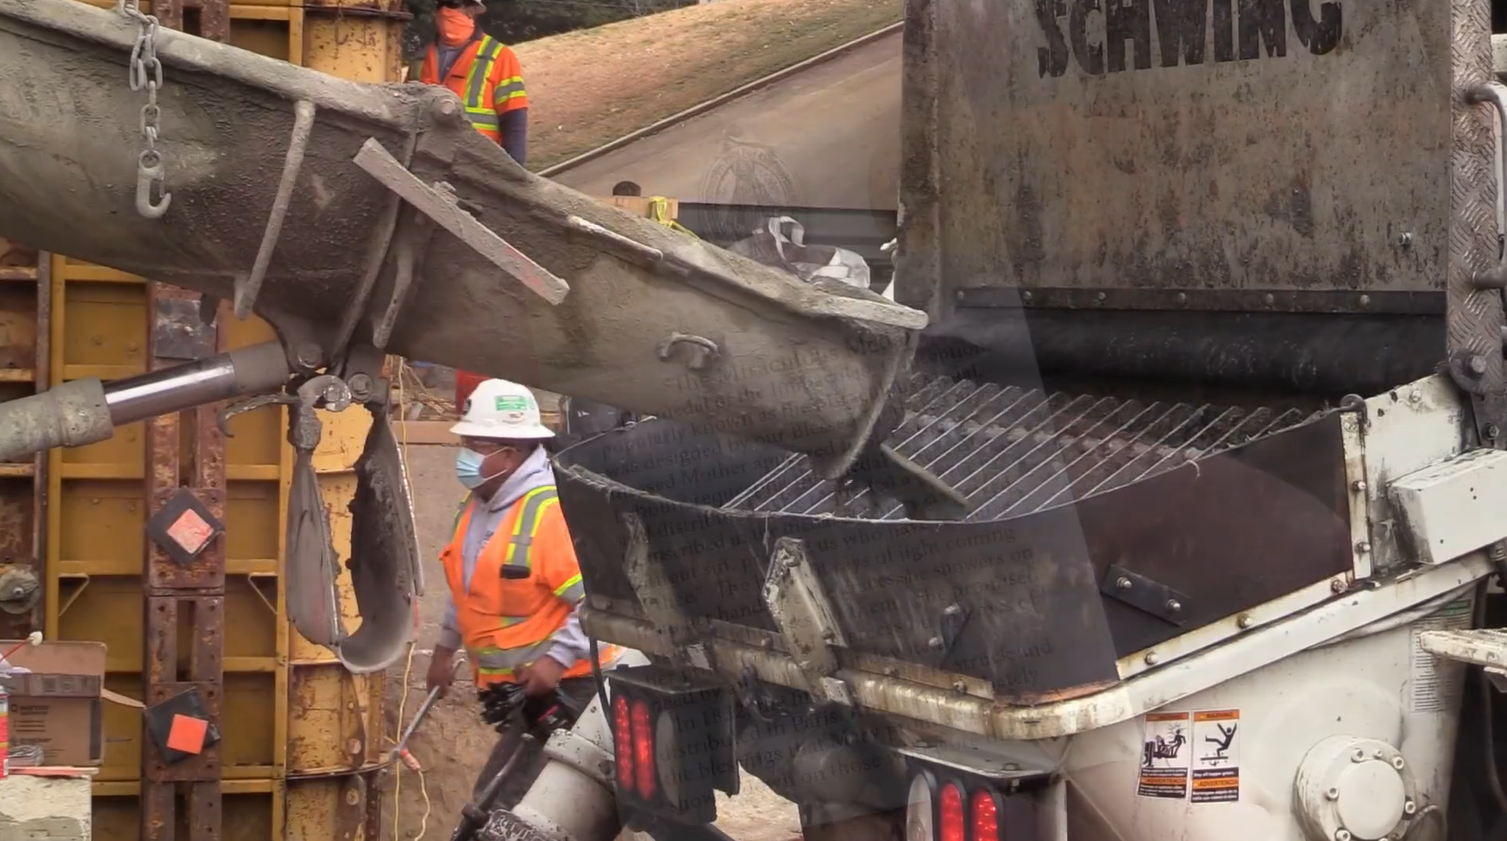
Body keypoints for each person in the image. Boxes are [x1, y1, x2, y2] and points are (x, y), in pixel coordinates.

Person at [425, 378, 622, 804]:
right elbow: (468, 586)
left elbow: (599, 605)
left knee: (499, 805)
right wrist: (444, 650)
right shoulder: (477, 505)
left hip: (570, 688)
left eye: (476, 445)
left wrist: (553, 661)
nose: (464, 456)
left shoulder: (549, 512)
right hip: (524, 691)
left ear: (509, 454)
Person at [413, 0, 529, 167]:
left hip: (480, 166)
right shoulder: (420, 59)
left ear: (472, 10)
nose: (446, 10)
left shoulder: (500, 56)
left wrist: (516, 171)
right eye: (442, 4)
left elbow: (514, 116)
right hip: (429, 165)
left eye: (453, 4)